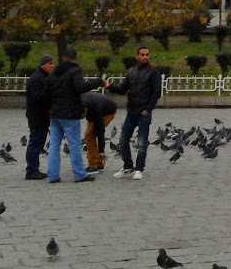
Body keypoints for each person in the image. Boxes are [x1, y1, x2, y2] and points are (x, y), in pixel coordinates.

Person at [46, 46, 104, 184]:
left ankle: (53, 175)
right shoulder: (75, 71)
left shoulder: (54, 73)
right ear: (75, 58)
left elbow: (48, 92)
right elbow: (80, 88)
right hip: (70, 114)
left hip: (55, 113)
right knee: (74, 144)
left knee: (54, 145)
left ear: (63, 57)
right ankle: (79, 174)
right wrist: (98, 81)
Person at [106, 46, 163, 180]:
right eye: (142, 55)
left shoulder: (153, 72)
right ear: (137, 56)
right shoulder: (131, 71)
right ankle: (127, 166)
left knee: (142, 142)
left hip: (143, 112)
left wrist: (148, 109)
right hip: (131, 111)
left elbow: (157, 92)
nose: (145, 57)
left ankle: (139, 168)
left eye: (147, 55)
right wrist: (110, 86)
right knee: (123, 140)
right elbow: (123, 89)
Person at [24, 54, 56, 180]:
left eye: (53, 63)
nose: (52, 66)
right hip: (37, 116)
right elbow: (38, 98)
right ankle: (31, 170)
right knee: (35, 142)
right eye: (50, 63)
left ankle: (34, 168)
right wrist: (49, 92)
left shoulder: (44, 77)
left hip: (42, 115)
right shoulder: (37, 79)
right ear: (43, 65)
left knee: (39, 142)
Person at [82, 89, 118, 172]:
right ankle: (98, 162)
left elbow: (100, 130)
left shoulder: (96, 110)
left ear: (86, 111)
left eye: (82, 116)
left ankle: (94, 164)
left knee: (89, 135)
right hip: (96, 109)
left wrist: (102, 150)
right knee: (89, 134)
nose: (81, 118)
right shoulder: (83, 103)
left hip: (108, 112)